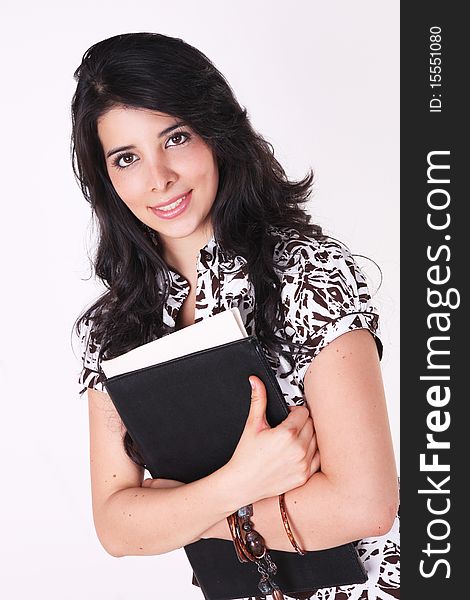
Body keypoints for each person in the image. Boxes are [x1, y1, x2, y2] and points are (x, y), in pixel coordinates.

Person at [72, 32, 399, 600]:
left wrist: (184, 513)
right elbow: (116, 527)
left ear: (215, 131)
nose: (159, 178)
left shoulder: (308, 272)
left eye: (175, 139)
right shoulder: (113, 327)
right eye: (127, 158)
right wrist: (240, 484)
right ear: (107, 178)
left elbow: (365, 506)